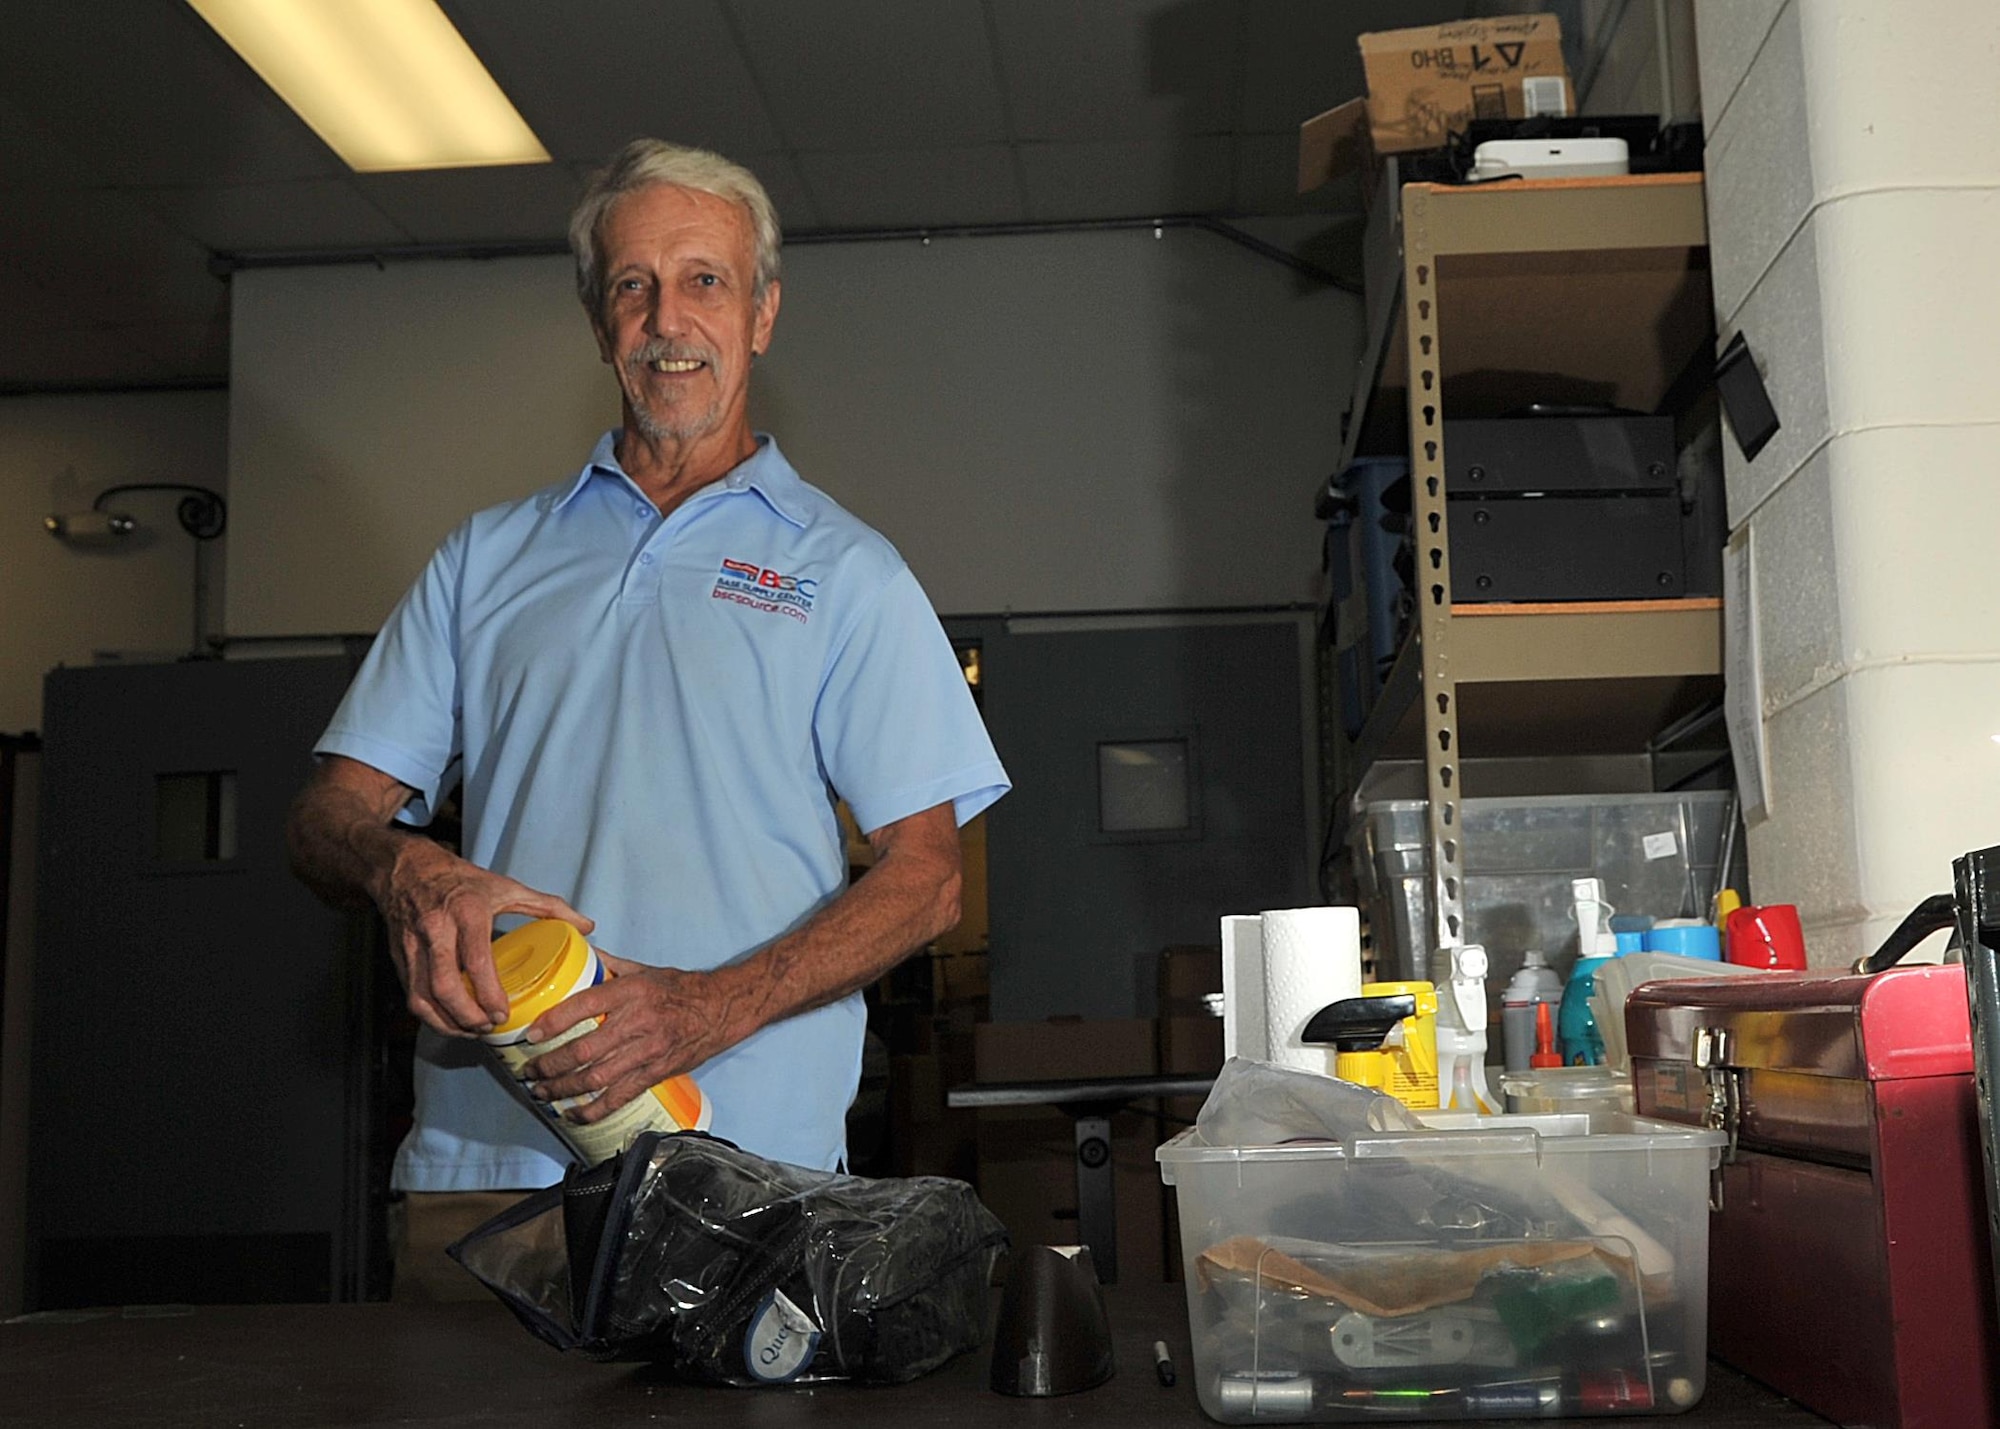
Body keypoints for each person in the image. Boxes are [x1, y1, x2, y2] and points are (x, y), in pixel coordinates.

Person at [287, 139, 1009, 1294]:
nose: (668, 318)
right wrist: (403, 870)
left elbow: (926, 879)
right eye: (633, 284)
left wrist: (702, 1009)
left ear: (762, 313)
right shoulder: (487, 559)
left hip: (743, 1164)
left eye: (704, 280)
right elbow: (330, 813)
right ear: (597, 318)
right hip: (489, 1166)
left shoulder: (847, 572)